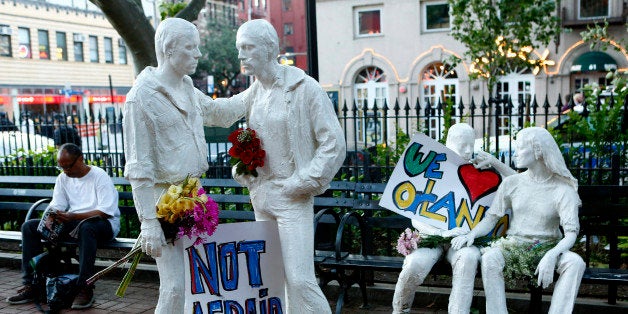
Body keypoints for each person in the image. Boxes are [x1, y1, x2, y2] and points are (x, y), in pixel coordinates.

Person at [123, 18, 246, 313]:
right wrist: (149, 223)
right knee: (175, 287)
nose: (198, 54)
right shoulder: (140, 97)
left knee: (196, 283)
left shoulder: (188, 87)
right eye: (191, 47)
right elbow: (139, 168)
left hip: (192, 193)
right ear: (169, 49)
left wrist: (258, 90)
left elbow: (219, 113)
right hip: (162, 199)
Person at [231, 19, 346, 313]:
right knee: (274, 278)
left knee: (299, 280)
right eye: (239, 48)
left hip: (292, 195)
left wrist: (302, 182)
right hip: (262, 197)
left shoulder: (304, 88)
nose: (241, 55)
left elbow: (334, 145)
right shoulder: (255, 92)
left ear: (269, 48)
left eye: (247, 47)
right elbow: (220, 112)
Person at [451, 127, 585, 314]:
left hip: (549, 247)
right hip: (514, 246)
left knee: (576, 262)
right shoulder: (512, 183)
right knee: (490, 257)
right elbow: (491, 219)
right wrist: (472, 234)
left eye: (520, 148)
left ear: (538, 152)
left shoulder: (563, 190)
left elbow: (571, 234)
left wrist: (552, 255)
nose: (515, 153)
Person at [392, 123, 514, 314]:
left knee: (469, 257)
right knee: (414, 264)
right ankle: (400, 309)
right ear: (449, 142)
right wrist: (442, 232)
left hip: (463, 239)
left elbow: (521, 185)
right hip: (433, 236)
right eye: (462, 144)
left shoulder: (480, 168)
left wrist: (496, 164)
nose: (468, 150)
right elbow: (416, 215)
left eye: (471, 144)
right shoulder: (431, 165)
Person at [6, 143, 121, 310]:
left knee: (86, 228)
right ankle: (32, 285)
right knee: (29, 227)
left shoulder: (99, 176)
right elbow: (57, 204)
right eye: (62, 167)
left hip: (102, 225)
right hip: (74, 222)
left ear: (80, 159)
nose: (66, 171)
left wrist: (73, 216)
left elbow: (106, 211)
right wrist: (53, 217)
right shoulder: (63, 178)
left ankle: (85, 288)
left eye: (69, 166)